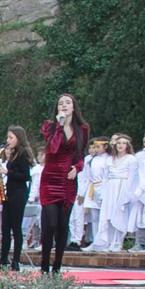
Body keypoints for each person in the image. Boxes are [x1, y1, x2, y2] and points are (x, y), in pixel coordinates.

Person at [38, 94, 88, 275]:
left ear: (74, 107)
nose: (64, 105)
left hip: (68, 180)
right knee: (49, 223)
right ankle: (44, 265)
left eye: (68, 103)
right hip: (50, 179)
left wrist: (77, 168)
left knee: (62, 224)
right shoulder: (49, 126)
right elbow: (52, 148)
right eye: (61, 103)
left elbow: (81, 154)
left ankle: (56, 266)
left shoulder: (82, 128)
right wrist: (59, 126)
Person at [0, 127, 33, 271]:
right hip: (9, 193)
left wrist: (7, 171)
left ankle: (15, 261)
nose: (8, 141)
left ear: (18, 138)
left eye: (11, 138)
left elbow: (25, 176)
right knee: (5, 228)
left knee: (16, 228)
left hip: (18, 194)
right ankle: (3, 260)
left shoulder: (22, 154)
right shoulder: (13, 153)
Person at [93, 135, 137, 252]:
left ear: (127, 145)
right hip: (110, 188)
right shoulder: (110, 159)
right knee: (108, 215)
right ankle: (107, 241)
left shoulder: (131, 159)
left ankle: (118, 242)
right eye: (119, 143)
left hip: (123, 187)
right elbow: (106, 177)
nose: (121, 145)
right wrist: (103, 193)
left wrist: (127, 194)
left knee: (119, 215)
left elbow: (132, 177)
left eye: (123, 143)